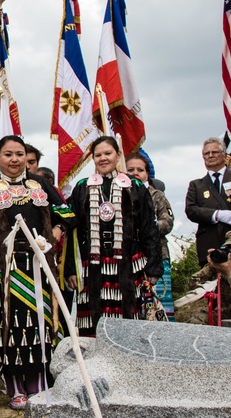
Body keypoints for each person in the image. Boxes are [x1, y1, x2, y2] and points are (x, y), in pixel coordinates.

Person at [0, 135, 73, 410]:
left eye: (19, 154)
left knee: (41, 320)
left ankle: (39, 382)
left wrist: (55, 235)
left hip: (39, 263)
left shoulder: (40, 185)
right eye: (8, 154)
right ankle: (14, 385)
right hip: (5, 265)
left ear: (27, 157)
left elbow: (65, 213)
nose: (14, 159)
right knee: (10, 322)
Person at [64, 138, 163, 334]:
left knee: (128, 316)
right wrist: (70, 269)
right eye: (98, 155)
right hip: (90, 265)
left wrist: (152, 268)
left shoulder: (135, 186)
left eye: (107, 153)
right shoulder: (82, 187)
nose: (103, 158)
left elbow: (148, 228)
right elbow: (72, 230)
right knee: (92, 318)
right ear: (92, 158)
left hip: (129, 262)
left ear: (118, 155)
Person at [184, 137, 231, 261]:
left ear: (224, 155)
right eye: (206, 153)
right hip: (209, 243)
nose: (210, 156)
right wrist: (216, 215)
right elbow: (191, 210)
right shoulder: (197, 185)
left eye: (214, 152)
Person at [125, 152, 175, 319]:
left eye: (140, 169)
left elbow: (167, 222)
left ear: (147, 173)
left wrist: (145, 227)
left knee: (159, 306)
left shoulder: (157, 195)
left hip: (156, 254)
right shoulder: (118, 194)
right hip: (129, 257)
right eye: (130, 169)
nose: (135, 172)